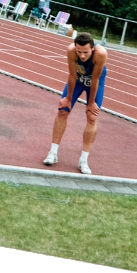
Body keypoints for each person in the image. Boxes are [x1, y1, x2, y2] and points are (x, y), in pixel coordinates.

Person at [43, 33, 107, 175]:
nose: (82, 56)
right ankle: (53, 153)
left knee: (92, 116)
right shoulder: (71, 50)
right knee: (63, 110)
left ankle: (83, 160)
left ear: (92, 48)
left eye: (85, 52)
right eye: (79, 52)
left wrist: (90, 103)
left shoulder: (101, 54)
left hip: (95, 82)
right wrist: (68, 99)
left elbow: (95, 80)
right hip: (77, 80)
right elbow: (72, 75)